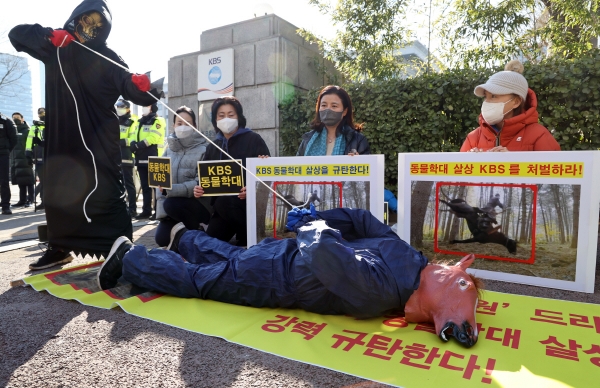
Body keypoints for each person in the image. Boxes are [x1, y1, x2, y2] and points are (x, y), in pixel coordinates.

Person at [96, 206, 482, 348]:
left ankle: (186, 238)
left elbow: (355, 228)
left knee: (232, 259)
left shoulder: (404, 257)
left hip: (279, 259)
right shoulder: (384, 289)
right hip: (279, 275)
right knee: (202, 280)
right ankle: (131, 260)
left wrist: (317, 222)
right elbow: (328, 251)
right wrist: (316, 224)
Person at [10, 0, 163, 269]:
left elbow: (130, 87)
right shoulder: (56, 47)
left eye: (97, 24)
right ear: (76, 18)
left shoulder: (107, 56)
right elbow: (16, 34)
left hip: (97, 138)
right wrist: (47, 34)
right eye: (86, 20)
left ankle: (120, 246)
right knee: (59, 192)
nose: (89, 27)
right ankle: (59, 247)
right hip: (62, 134)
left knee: (105, 189)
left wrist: (142, 86)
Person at [193, 96, 270, 246]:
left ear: (239, 117)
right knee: (209, 244)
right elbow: (204, 177)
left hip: (247, 206)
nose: (226, 119)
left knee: (225, 201)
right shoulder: (213, 147)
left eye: (231, 114)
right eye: (221, 115)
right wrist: (198, 188)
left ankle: (248, 235)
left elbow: (267, 177)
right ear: (215, 119)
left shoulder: (254, 139)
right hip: (221, 208)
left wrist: (253, 189)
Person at [461, 60, 561, 152]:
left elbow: (554, 170)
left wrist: (512, 161)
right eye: (485, 96)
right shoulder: (473, 138)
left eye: (494, 96)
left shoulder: (539, 136)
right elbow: (456, 169)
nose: (487, 102)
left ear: (516, 102)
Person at [154, 106, 210, 247]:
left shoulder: (204, 149)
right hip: (172, 209)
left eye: (188, 123)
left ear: (195, 126)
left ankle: (198, 229)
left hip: (197, 206)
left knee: (170, 203)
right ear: (173, 125)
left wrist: (171, 190)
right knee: (161, 239)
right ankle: (184, 234)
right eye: (179, 123)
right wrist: (164, 215)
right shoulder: (167, 151)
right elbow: (159, 185)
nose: (183, 127)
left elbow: (200, 182)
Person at [296, 85, 370, 156]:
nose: (328, 110)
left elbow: (368, 167)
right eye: (324, 105)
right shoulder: (308, 139)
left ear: (344, 111)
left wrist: (359, 161)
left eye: (334, 106)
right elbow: (297, 166)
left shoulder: (357, 140)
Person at [131, 103, 166, 219]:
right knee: (145, 187)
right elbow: (134, 136)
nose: (144, 107)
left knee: (156, 187)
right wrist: (132, 144)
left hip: (154, 158)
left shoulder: (158, 121)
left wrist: (138, 145)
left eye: (147, 105)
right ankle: (146, 210)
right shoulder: (139, 122)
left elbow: (153, 138)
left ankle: (157, 211)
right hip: (140, 159)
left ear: (153, 107)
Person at [115, 99, 138, 217]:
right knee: (119, 184)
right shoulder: (116, 121)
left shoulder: (132, 122)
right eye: (117, 106)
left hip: (127, 155)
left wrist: (118, 142)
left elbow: (132, 139)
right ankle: (122, 207)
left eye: (121, 107)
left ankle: (133, 208)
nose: (119, 109)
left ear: (128, 109)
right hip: (115, 156)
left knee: (128, 183)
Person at [10, 112, 35, 208]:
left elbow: (31, 145)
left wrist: (30, 157)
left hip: (25, 159)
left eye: (17, 117)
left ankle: (31, 200)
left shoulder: (27, 130)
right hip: (15, 159)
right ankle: (22, 200)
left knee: (29, 181)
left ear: (22, 119)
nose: (15, 119)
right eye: (14, 118)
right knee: (20, 181)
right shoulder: (12, 131)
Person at [28, 108, 46, 209]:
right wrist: (28, 153)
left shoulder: (53, 125)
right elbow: (29, 141)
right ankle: (43, 201)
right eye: (40, 113)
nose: (41, 115)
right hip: (39, 157)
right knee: (43, 180)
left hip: (50, 158)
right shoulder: (35, 127)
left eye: (43, 113)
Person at [0, 113, 18, 215]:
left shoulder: (6, 121)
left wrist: (6, 150)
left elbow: (14, 138)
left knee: (4, 180)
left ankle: (5, 206)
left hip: (2, 154)